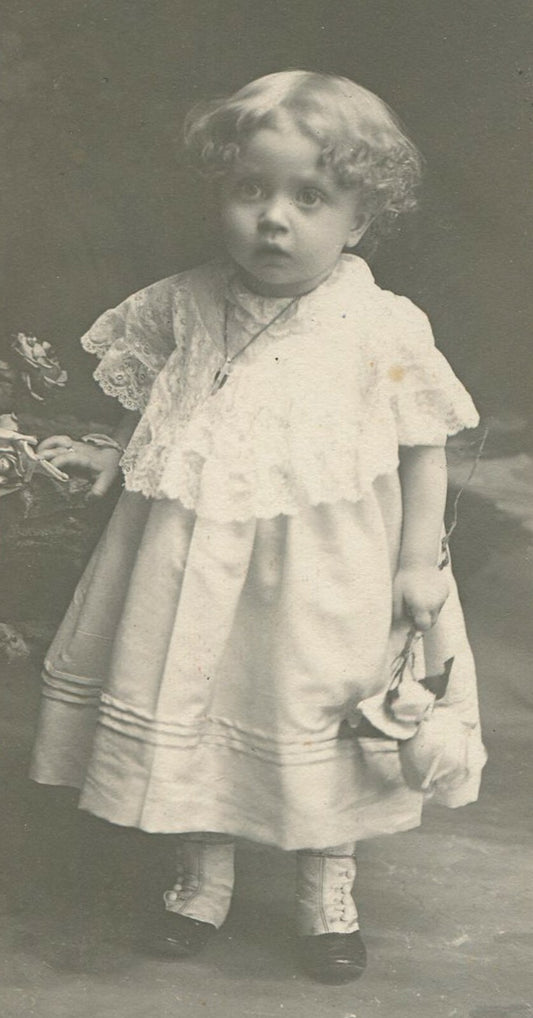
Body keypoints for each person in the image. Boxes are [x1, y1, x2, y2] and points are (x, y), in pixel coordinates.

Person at [30, 70, 485, 984]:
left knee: (316, 708)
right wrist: (111, 456)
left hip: (326, 569)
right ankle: (201, 875)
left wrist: (413, 563)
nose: (273, 218)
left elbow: (421, 448)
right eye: (251, 189)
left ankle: (328, 888)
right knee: (194, 692)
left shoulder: (378, 325)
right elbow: (165, 397)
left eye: (308, 197)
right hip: (189, 554)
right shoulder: (185, 301)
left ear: (357, 220)